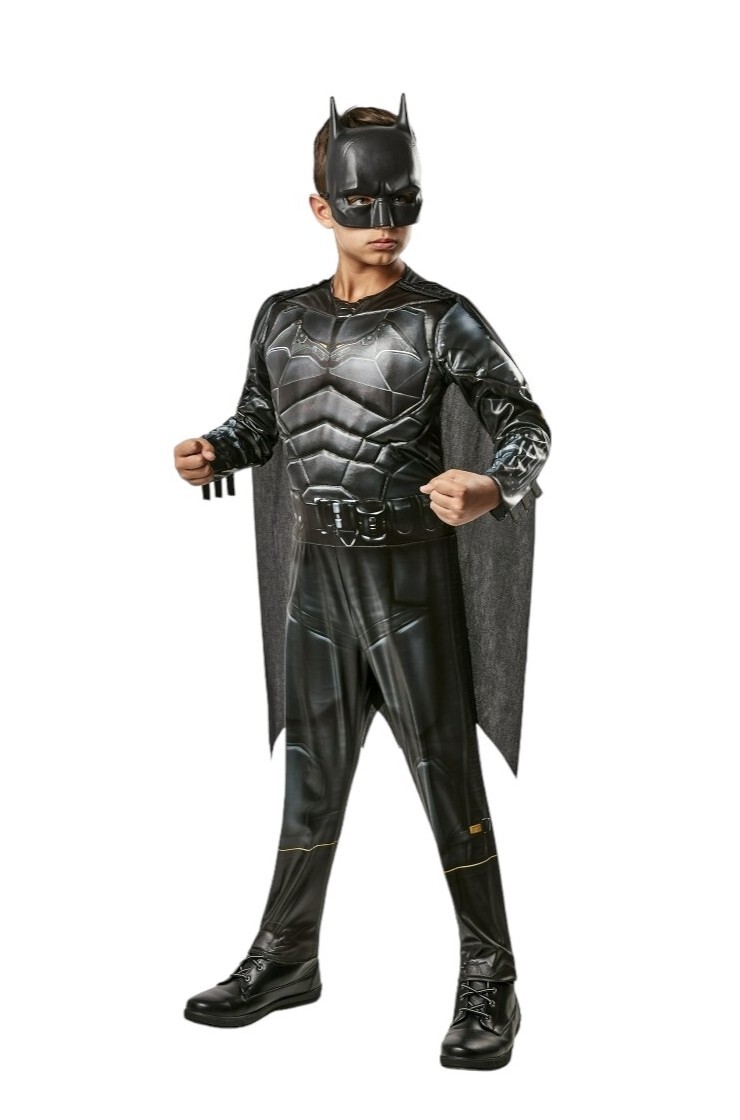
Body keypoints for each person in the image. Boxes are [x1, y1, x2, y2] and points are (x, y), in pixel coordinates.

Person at [173, 96, 550, 1071]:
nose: (384, 218)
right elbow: (263, 424)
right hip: (320, 581)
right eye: (360, 200)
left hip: (411, 581)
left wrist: (492, 486)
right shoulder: (281, 318)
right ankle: (287, 954)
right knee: (310, 785)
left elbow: (524, 424)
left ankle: (491, 974)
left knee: (448, 783)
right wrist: (216, 447)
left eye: (401, 198)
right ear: (319, 206)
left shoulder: (440, 317)